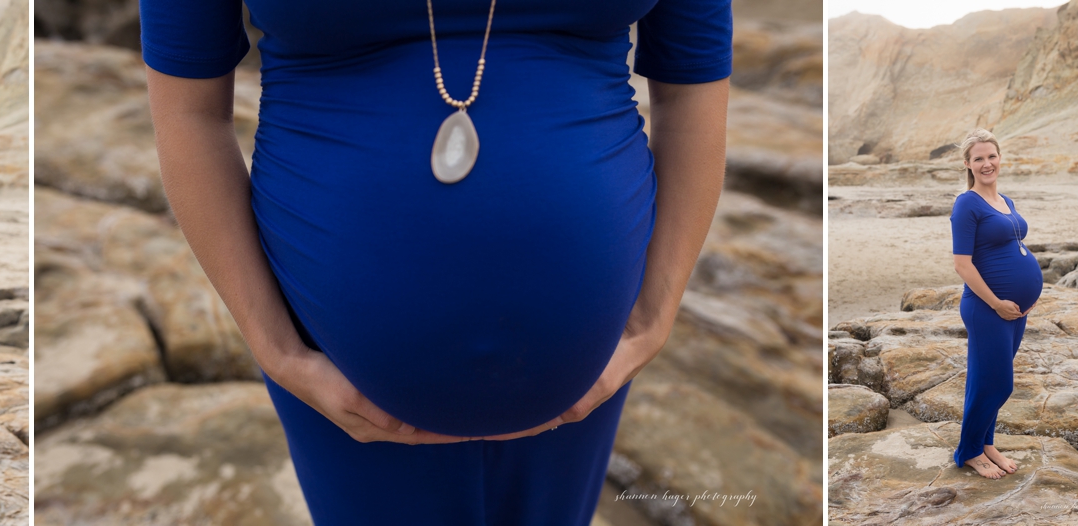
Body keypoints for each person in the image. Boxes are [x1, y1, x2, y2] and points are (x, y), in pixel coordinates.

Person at [140, 0, 729, 523]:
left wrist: (652, 319)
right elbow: (189, 112)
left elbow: (692, 86)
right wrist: (277, 349)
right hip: (333, 369)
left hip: (587, 359)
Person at [949, 129, 1042, 479]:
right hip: (986, 309)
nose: (987, 164)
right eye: (979, 158)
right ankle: (969, 451)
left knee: (986, 380)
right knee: (998, 383)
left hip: (1013, 310)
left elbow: (1012, 246)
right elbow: (962, 265)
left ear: (1000, 158)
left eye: (991, 156)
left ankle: (985, 444)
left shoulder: (1006, 201)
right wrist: (997, 303)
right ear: (967, 164)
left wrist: (1027, 293)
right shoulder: (967, 204)